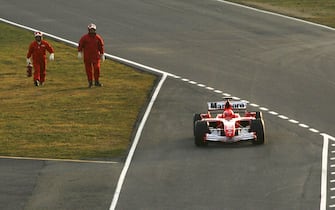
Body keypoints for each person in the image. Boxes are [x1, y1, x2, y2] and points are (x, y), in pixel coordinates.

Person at [78, 23, 105, 88]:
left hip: (96, 57)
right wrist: (79, 52)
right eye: (91, 30)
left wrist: (102, 54)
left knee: (97, 68)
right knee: (88, 70)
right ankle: (90, 82)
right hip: (87, 57)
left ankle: (96, 81)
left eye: (93, 30)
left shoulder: (98, 38)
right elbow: (80, 45)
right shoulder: (84, 38)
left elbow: (101, 46)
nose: (92, 31)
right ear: (88, 30)